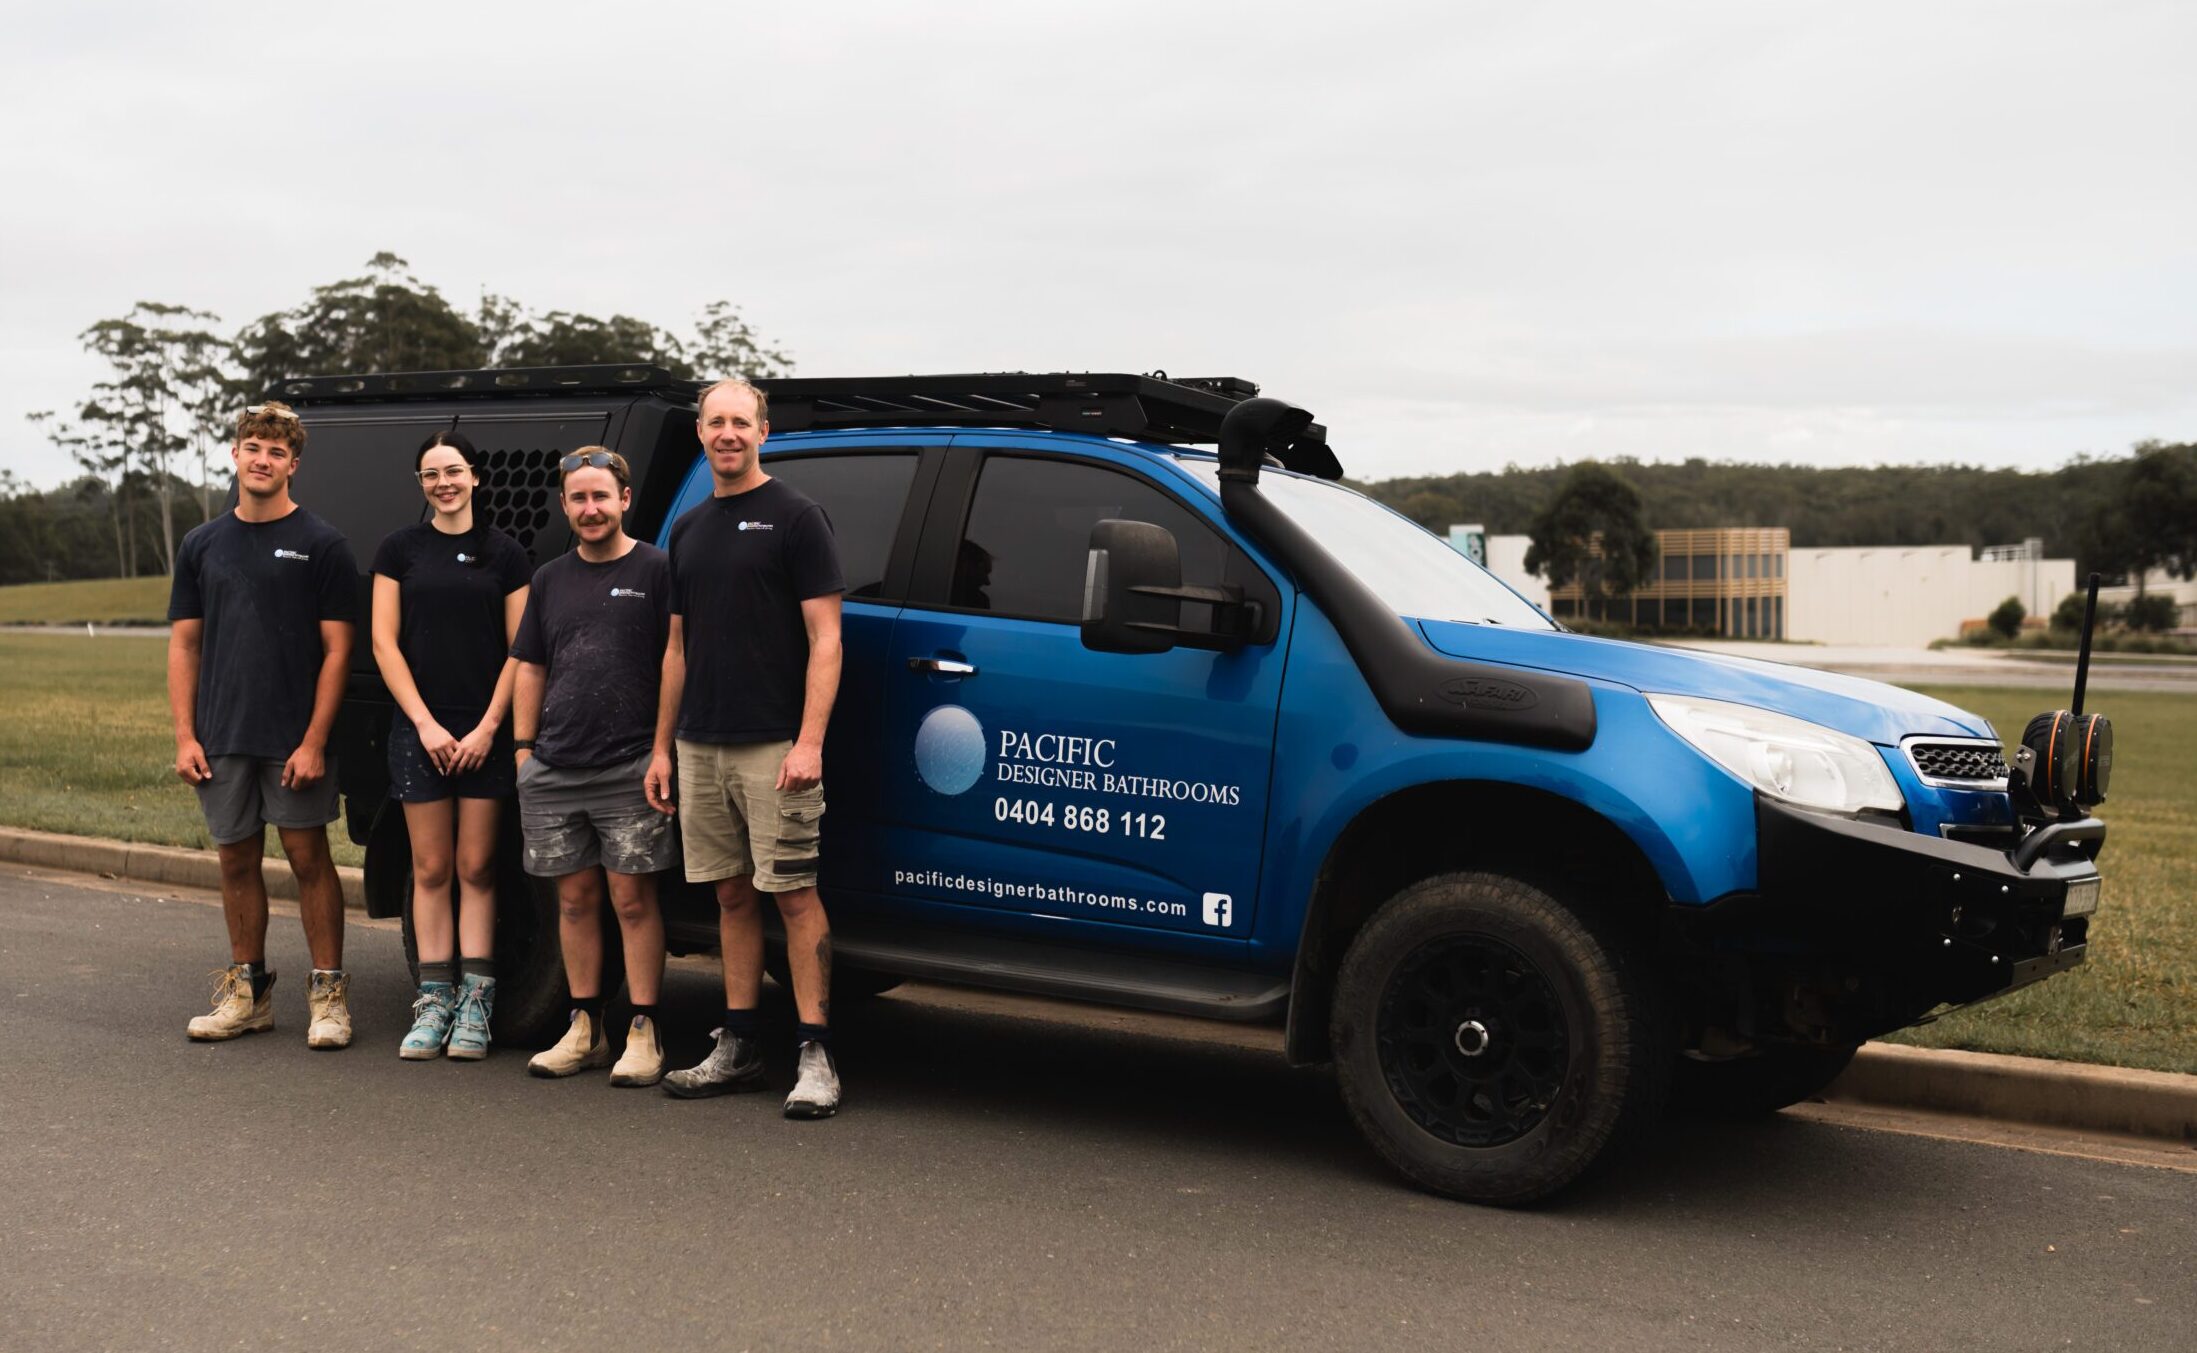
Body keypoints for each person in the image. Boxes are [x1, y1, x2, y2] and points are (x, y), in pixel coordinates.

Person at [649, 377, 847, 1118]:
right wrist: (662, 748)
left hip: (775, 747)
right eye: (714, 422)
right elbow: (675, 648)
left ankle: (816, 1051)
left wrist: (809, 742)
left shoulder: (797, 517)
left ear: (764, 431)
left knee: (792, 895)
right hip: (700, 744)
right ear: (700, 433)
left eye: (741, 421)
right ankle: (737, 1043)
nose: (727, 433)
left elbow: (826, 638)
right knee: (730, 893)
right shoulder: (689, 527)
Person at [168, 400, 359, 1047]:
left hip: (293, 737)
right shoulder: (201, 544)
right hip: (221, 734)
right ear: (235, 454)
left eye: (276, 451)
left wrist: (313, 739)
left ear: (292, 465)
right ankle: (247, 994)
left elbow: (338, 649)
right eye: (253, 446)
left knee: (309, 857)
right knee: (234, 860)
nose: (263, 458)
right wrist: (186, 734)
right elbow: (185, 644)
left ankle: (328, 997)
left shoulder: (322, 544)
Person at [512, 447, 675, 1085]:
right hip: (553, 767)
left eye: (601, 496)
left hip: (628, 766)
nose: (590, 509)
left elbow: (675, 662)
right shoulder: (550, 578)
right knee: (574, 901)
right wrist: (525, 752)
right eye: (578, 498)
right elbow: (530, 663)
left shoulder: (658, 569)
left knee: (632, 900)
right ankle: (585, 1026)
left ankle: (644, 1030)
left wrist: (662, 750)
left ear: (625, 500)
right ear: (565, 506)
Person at [369, 431, 531, 1060]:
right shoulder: (398, 550)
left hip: (485, 730)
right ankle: (433, 1003)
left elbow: (521, 649)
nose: (444, 482)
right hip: (421, 732)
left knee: (478, 870)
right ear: (421, 484)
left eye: (454, 471)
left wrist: (491, 726)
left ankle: (475, 1007)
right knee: (431, 871)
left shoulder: (505, 553)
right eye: (432, 474)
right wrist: (427, 724)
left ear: (475, 478)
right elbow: (385, 644)